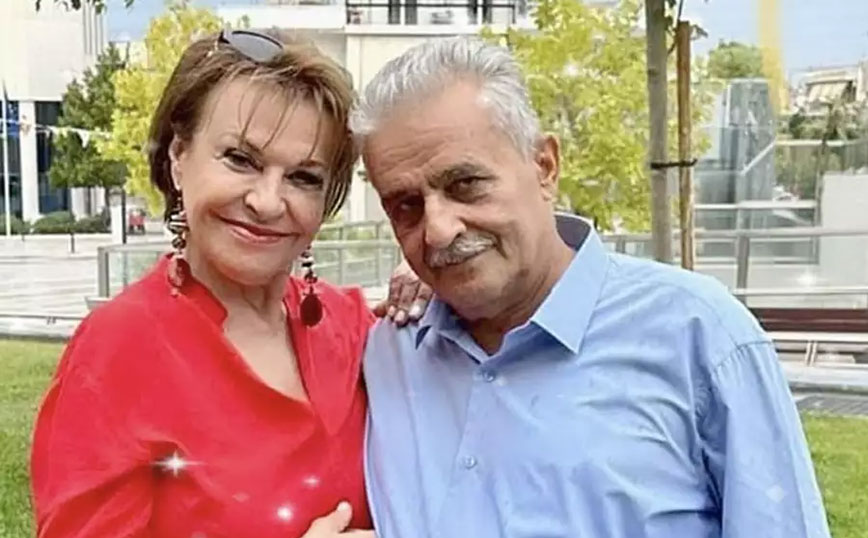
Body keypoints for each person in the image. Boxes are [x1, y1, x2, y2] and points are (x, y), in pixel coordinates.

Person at [354, 37, 831, 538]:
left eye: (465, 184)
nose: (438, 230)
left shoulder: (698, 337)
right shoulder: (389, 353)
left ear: (544, 166)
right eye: (405, 205)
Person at [30, 29, 428, 538]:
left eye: (303, 178)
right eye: (241, 159)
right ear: (179, 157)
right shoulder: (116, 352)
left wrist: (438, 276)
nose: (267, 201)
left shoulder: (355, 329)